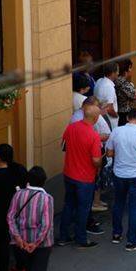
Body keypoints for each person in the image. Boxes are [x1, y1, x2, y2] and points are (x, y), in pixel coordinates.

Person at [106, 108, 136, 251]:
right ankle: (131, 240)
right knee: (134, 207)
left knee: (118, 203)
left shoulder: (116, 131)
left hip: (119, 174)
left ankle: (116, 233)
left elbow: (109, 153)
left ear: (127, 117)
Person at [7, 166, 54, 271]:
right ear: (43, 181)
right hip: (41, 244)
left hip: (21, 242)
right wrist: (36, 243)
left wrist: (18, 238)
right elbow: (46, 225)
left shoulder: (18, 195)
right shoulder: (46, 198)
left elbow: (10, 217)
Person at [58, 104, 103, 248]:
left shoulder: (72, 127)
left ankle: (63, 236)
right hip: (85, 178)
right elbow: (96, 160)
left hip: (69, 173)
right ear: (96, 118)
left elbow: (63, 145)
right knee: (83, 208)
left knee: (69, 205)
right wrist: (100, 163)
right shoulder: (94, 135)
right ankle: (81, 238)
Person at [0, 143, 27, 271]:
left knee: (1, 244)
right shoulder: (19, 169)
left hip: (0, 214)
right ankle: (21, 268)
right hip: (18, 210)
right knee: (18, 239)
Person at [114, 58, 136, 126]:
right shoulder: (122, 82)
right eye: (131, 68)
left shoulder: (119, 80)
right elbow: (133, 95)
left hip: (121, 111)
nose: (132, 71)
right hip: (124, 113)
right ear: (128, 68)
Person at [95, 62, 121, 129]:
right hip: (109, 120)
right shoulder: (109, 86)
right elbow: (109, 108)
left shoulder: (99, 81)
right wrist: (116, 116)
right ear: (113, 73)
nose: (118, 73)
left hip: (100, 117)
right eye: (117, 71)